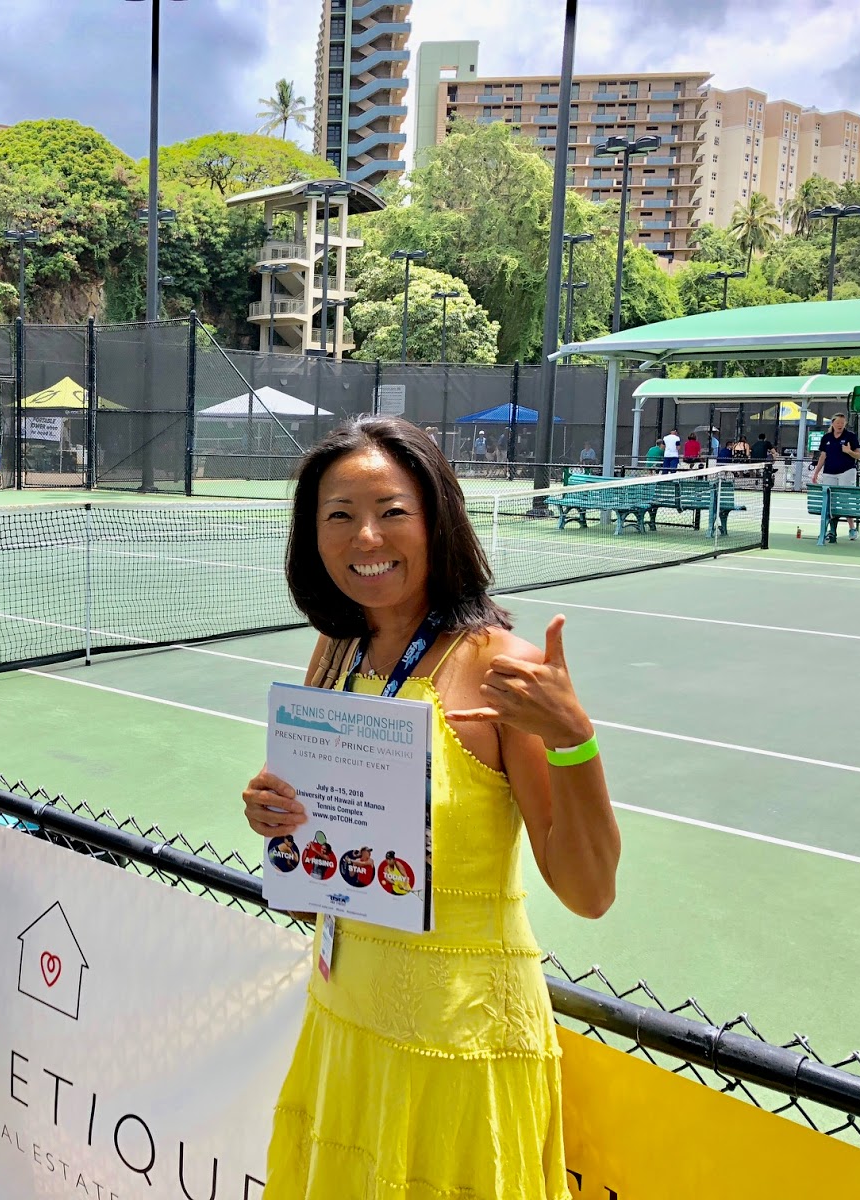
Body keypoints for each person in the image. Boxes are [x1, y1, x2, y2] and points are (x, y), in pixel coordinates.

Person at [242, 417, 619, 1200]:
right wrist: (276, 811)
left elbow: (589, 892)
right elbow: (331, 829)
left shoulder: (502, 671)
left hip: (462, 1044)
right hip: (345, 1019)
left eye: (393, 511)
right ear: (313, 535)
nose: (365, 535)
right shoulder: (335, 651)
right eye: (339, 514)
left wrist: (576, 742)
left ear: (437, 518)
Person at [812, 412, 860, 542]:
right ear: (833, 423)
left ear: (845, 423)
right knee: (830, 502)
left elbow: (859, 455)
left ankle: (852, 528)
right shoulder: (827, 438)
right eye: (838, 422)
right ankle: (830, 531)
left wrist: (849, 452)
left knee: (845, 500)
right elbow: (823, 456)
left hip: (847, 471)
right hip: (829, 472)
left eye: (842, 422)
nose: (840, 425)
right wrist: (816, 472)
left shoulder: (850, 436)